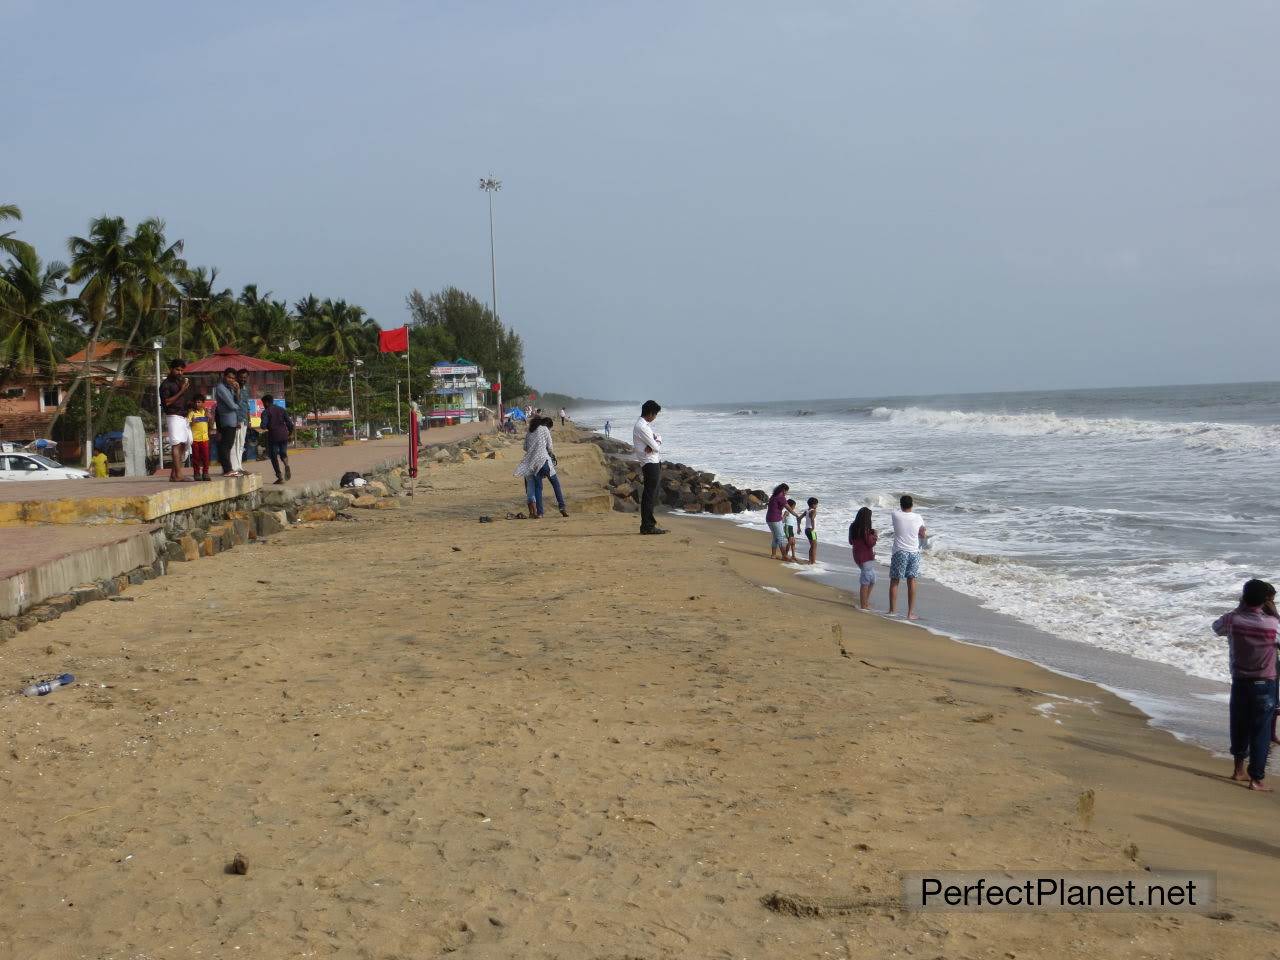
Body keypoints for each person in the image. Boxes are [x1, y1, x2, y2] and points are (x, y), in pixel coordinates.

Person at [1213, 579, 1279, 791]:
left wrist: (1240, 608)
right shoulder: (1272, 624)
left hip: (1240, 681)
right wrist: (1274, 614)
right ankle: (1256, 779)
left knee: (1239, 726)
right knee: (1260, 732)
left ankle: (1238, 770)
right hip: (1264, 683)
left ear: (1243, 597)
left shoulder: (1233, 620)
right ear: (1266, 601)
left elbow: (1216, 627)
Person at [514, 416, 565, 517]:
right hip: (544, 460)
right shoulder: (545, 429)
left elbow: (525, 447)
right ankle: (562, 506)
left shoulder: (529, 431)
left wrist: (534, 448)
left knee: (538, 488)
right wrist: (549, 453)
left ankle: (540, 513)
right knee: (555, 484)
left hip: (533, 464)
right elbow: (550, 447)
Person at [888, 495, 927, 620]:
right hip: (914, 552)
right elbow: (922, 533)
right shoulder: (918, 517)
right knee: (912, 581)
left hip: (900, 551)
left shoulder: (895, 515)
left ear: (901, 505)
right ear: (912, 505)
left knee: (895, 580)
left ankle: (893, 610)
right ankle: (910, 613)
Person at [632, 400, 665, 535]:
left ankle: (648, 525)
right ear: (650, 413)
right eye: (655, 414)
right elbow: (656, 446)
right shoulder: (643, 427)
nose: (655, 417)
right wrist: (656, 441)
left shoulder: (643, 425)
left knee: (651, 494)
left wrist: (656, 440)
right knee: (649, 495)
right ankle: (647, 526)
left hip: (651, 461)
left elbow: (657, 439)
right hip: (649, 463)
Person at [158, 358, 191, 482]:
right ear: (171, 369)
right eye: (177, 370)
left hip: (182, 416)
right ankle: (178, 475)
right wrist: (182, 391)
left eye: (182, 370)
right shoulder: (166, 384)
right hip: (173, 415)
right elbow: (167, 402)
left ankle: (174, 474)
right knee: (176, 444)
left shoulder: (179, 382)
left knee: (184, 444)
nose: (180, 372)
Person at [258, 394, 293, 484]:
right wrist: (290, 433)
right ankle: (286, 464)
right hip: (284, 434)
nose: (263, 405)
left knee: (273, 457)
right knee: (283, 453)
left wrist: (263, 425)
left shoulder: (266, 412)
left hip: (273, 436)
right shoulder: (281, 409)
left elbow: (263, 426)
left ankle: (280, 477)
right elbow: (289, 423)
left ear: (266, 402)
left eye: (263, 403)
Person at [212, 367, 241, 477]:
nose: (231, 380)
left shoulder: (230, 388)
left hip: (232, 420)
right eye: (229, 377)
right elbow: (232, 405)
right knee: (225, 444)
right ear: (224, 377)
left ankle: (228, 468)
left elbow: (237, 400)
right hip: (226, 419)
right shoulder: (220, 388)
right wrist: (238, 407)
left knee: (229, 444)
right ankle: (227, 469)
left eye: (233, 378)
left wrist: (237, 391)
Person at [849, 507, 878, 610]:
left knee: (873, 578)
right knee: (866, 580)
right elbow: (870, 543)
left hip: (857, 555)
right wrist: (875, 536)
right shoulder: (865, 529)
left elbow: (851, 541)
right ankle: (863, 605)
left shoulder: (853, 526)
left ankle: (865, 601)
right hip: (865, 556)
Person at [765, 483, 796, 560]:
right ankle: (784, 556)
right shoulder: (781, 497)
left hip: (769, 518)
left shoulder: (773, 496)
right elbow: (789, 508)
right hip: (775, 519)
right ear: (783, 490)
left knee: (776, 537)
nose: (786, 493)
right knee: (780, 537)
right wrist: (798, 516)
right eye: (786, 491)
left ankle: (773, 555)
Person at [229, 368, 251, 474]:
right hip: (236, 420)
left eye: (245, 378)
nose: (243, 379)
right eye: (241, 377)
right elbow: (233, 406)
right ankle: (234, 467)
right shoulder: (233, 388)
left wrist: (249, 420)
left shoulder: (246, 389)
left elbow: (247, 406)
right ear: (237, 377)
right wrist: (236, 420)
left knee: (241, 444)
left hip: (244, 420)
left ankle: (239, 466)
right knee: (235, 443)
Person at [187, 394, 212, 481]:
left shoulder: (205, 412)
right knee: (196, 457)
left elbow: (211, 424)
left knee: (206, 457)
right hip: (195, 439)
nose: (197, 404)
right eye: (196, 402)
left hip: (204, 439)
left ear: (203, 403)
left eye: (199, 402)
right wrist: (192, 422)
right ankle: (196, 473)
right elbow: (187, 424)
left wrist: (210, 417)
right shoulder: (192, 413)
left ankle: (205, 473)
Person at [802, 497, 819, 565]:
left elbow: (799, 518)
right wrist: (813, 527)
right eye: (816, 504)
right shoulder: (814, 511)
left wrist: (798, 527)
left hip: (806, 529)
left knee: (812, 545)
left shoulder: (806, 511)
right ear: (813, 504)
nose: (817, 506)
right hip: (812, 530)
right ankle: (813, 561)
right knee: (814, 546)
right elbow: (812, 518)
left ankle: (810, 560)